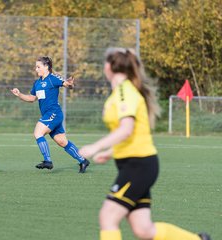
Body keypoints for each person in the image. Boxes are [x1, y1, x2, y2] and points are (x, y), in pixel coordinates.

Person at [78, 48, 211, 240]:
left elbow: (126, 129)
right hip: (136, 164)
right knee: (143, 230)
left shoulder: (125, 90)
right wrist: (111, 151)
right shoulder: (122, 91)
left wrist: (95, 147)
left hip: (138, 166)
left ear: (109, 67)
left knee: (108, 217)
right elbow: (132, 133)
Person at [10, 56, 90, 173]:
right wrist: (19, 94)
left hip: (54, 113)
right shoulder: (37, 83)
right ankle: (83, 161)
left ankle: (48, 161)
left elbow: (67, 85)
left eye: (38, 67)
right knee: (62, 142)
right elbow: (32, 98)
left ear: (46, 67)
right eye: (36, 67)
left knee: (38, 132)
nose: (36, 69)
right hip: (50, 115)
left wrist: (71, 84)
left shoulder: (53, 78)